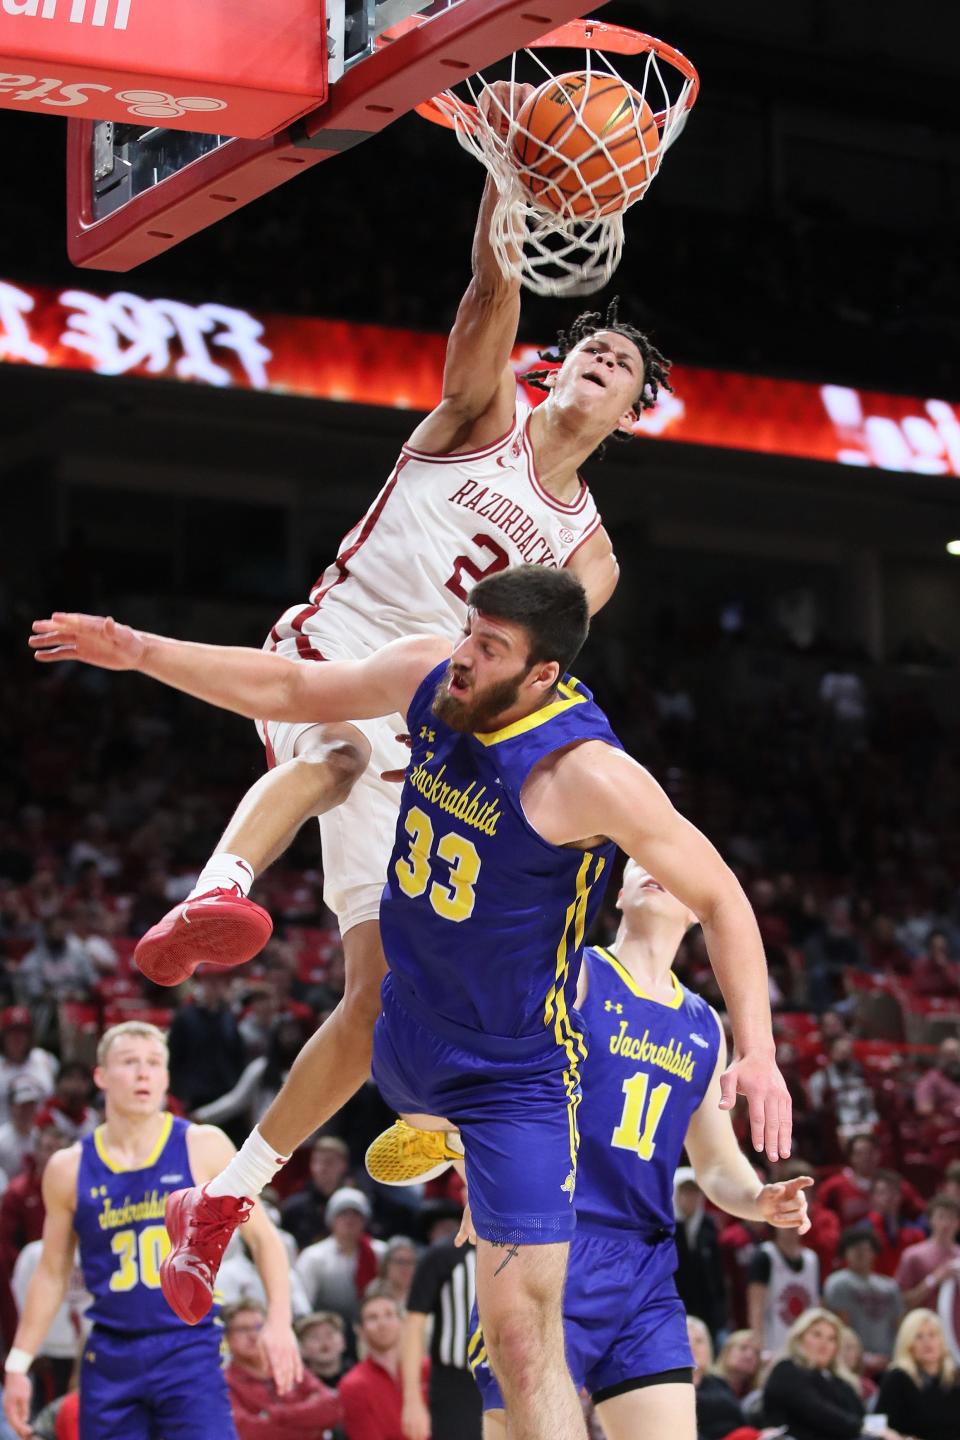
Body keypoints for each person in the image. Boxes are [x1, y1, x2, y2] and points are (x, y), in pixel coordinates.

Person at [31, 568, 790, 1440]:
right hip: (411, 1024)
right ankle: (238, 1190)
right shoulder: (434, 670)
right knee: (362, 989)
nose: (464, 657)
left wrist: (758, 1052)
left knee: (520, 1337)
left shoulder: (590, 777)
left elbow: (725, 899)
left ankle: (394, 1158)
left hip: (513, 1079)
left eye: (491, 648)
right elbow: (288, 684)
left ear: (542, 675)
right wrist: (139, 651)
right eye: (471, 632)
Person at [110, 135, 652, 1151]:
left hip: (431, 705)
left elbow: (527, 680)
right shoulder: (484, 414)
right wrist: (511, 174)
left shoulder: (596, 558)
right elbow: (491, 290)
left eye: (622, 364)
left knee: (382, 990)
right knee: (341, 751)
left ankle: (232, 1196)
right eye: (588, 350)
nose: (603, 359)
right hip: (343, 637)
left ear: (632, 413)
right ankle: (217, 892)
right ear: (556, 370)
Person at [369, 860, 805, 1440]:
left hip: (644, 1265)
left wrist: (759, 1199)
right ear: (617, 894)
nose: (657, 869)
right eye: (640, 864)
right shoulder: (574, 975)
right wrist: (469, 1162)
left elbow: (716, 1164)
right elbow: (493, 1082)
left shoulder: (705, 1026)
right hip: (548, 1245)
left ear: (702, 905)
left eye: (672, 867)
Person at [2, 1021, 300, 1440]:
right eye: (129, 1062)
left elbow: (265, 1240)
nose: (143, 1073)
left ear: (166, 1077)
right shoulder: (67, 1168)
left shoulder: (203, 1146)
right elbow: (51, 1273)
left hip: (188, 1349)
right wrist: (18, 1363)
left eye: (154, 1063)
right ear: (101, 1077)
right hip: (110, 1351)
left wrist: (280, 1321)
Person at [222, 1300, 342, 1440]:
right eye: (242, 1329)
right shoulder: (224, 1382)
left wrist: (274, 1414)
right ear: (227, 1338)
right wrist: (309, 1423)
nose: (253, 1335)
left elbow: (331, 1410)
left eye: (259, 1327)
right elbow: (248, 1433)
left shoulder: (289, 1366)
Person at [400, 1232, 480, 1440]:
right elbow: (413, 1326)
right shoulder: (443, 1255)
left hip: (513, 1381)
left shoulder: (524, 1249)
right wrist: (412, 1400)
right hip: (455, 1384)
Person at [760, 1308, 876, 1440]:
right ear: (800, 1337)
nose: (824, 1343)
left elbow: (859, 1414)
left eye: (831, 1339)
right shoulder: (786, 1370)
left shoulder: (837, 1379)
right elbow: (818, 1414)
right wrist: (861, 1427)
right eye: (817, 1335)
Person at [338, 1285, 425, 1440]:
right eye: (372, 1317)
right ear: (360, 1330)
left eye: (389, 1315)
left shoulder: (427, 1370)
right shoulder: (353, 1385)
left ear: (402, 1322)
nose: (382, 1323)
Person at [295, 1186, 385, 1325]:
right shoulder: (313, 1257)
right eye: (343, 1213)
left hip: (373, 1327)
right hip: (326, 1330)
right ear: (331, 1219)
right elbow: (302, 1303)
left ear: (365, 1220)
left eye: (356, 1213)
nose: (350, 1219)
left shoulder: (380, 1252)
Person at [823, 1225, 902, 1371]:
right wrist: (860, 1356)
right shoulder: (838, 1283)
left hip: (888, 1360)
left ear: (874, 1253)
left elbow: (898, 1325)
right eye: (854, 1249)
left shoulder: (890, 1286)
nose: (860, 1254)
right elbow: (840, 1326)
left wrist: (897, 1356)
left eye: (865, 1249)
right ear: (844, 1253)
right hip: (851, 1360)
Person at [877, 1309, 960, 1440]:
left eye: (932, 1335)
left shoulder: (955, 1376)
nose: (927, 1342)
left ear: (941, 1340)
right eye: (919, 1337)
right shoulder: (897, 1377)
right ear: (909, 1344)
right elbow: (878, 1426)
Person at [747, 1223, 821, 1360]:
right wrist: (758, 1339)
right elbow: (755, 1304)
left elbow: (817, 1304)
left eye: (795, 1222)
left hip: (805, 1343)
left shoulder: (812, 1259)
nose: (790, 1226)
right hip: (773, 1343)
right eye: (786, 1222)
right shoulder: (765, 1255)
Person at [673, 1167, 727, 1342]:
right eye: (686, 1192)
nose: (691, 1198)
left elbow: (717, 1275)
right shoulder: (664, 1228)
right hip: (673, 1310)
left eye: (695, 1192)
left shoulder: (708, 1227)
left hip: (706, 1313)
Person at [280, 1135, 352, 1251]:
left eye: (329, 1162)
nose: (322, 1168)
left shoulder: (354, 1205)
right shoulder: (294, 1207)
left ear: (343, 1165)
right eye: (317, 1161)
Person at [897, 1193, 960, 1311]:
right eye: (941, 1217)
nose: (946, 1223)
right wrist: (933, 1280)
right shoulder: (913, 1255)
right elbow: (901, 1303)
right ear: (930, 1220)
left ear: (958, 1222)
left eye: (951, 1217)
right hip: (926, 1326)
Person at [295, 1310, 353, 1388]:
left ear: (343, 1342)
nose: (324, 1342)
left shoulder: (360, 1377)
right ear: (302, 1349)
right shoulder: (295, 1385)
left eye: (330, 1335)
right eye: (314, 1337)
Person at [0, 1078, 44, 1180]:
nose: (26, 1111)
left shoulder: (40, 1136)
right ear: (12, 1107)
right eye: (22, 1106)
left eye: (30, 1106)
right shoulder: (2, 1138)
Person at [915, 1037, 960, 1120]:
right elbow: (923, 1106)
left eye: (956, 1054)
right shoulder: (932, 1079)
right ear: (941, 1056)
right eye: (949, 1054)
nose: (953, 1059)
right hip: (948, 1125)